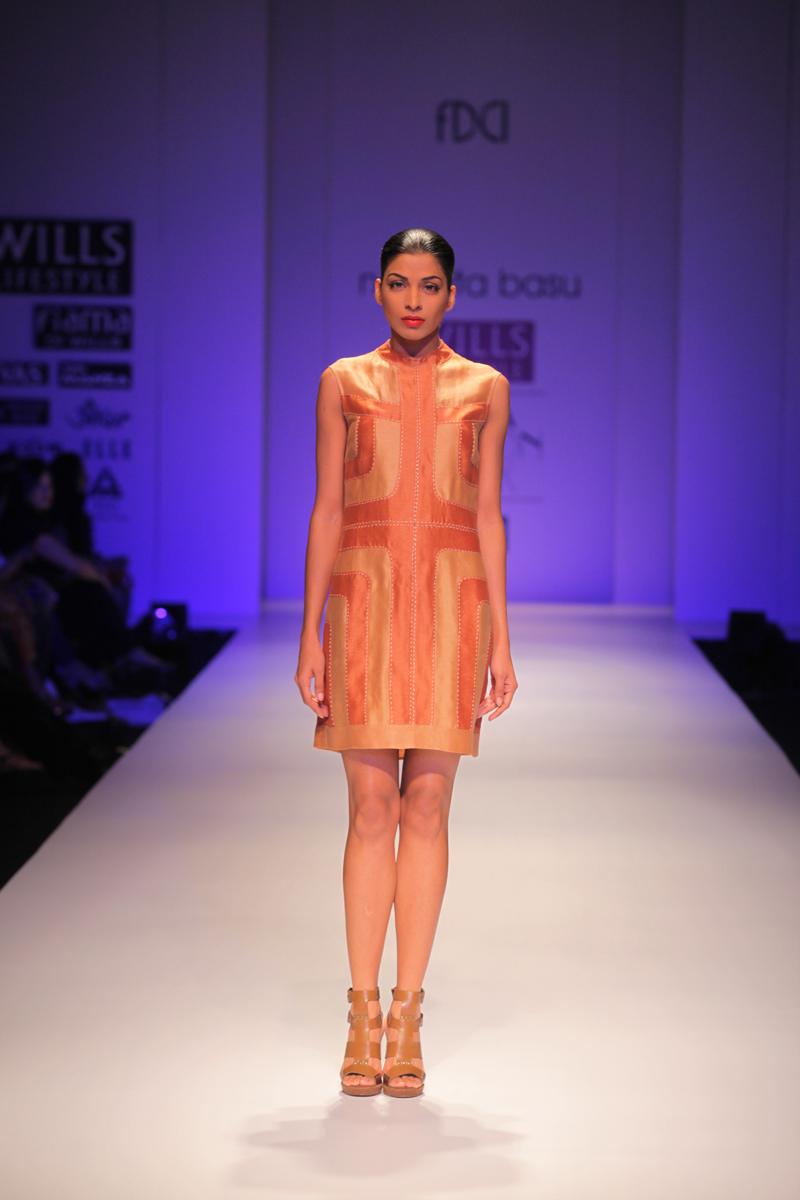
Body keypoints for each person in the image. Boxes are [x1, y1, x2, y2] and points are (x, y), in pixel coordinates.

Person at [295, 229, 518, 1098]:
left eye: (429, 285)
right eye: (399, 283)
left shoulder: (486, 389)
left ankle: (408, 1015)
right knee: (370, 806)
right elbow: (326, 508)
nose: (414, 300)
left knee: (426, 805)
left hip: (454, 605)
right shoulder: (342, 381)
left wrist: (502, 638)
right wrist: (310, 632)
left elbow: (489, 514)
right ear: (378, 290)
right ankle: (360, 1013)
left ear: (451, 295)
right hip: (365, 600)